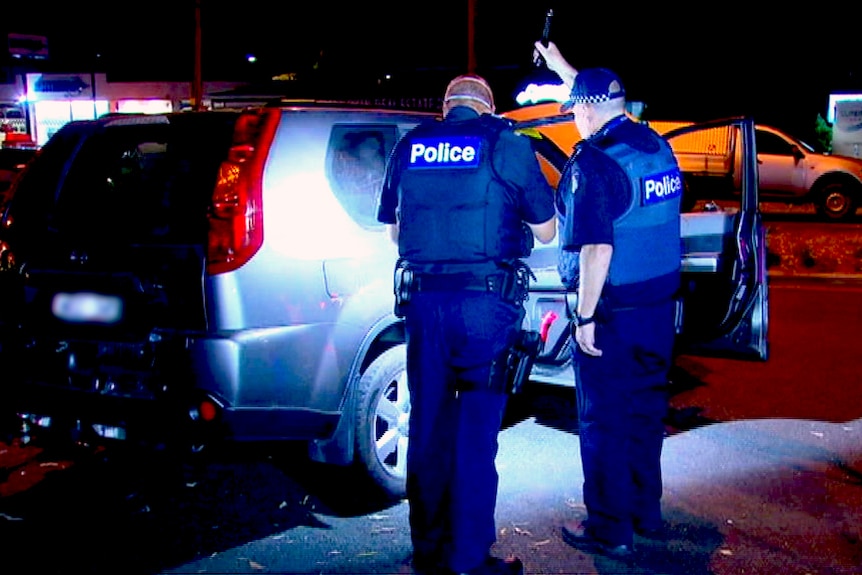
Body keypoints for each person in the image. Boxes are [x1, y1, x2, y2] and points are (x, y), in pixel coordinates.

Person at [377, 74, 556, 575]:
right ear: (487, 108)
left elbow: (395, 231)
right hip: (486, 312)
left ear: (446, 106)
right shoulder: (506, 144)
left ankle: (428, 553)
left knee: (429, 433)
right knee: (478, 438)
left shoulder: (410, 145)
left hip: (424, 311)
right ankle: (470, 559)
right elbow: (547, 230)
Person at [532, 41, 683, 561]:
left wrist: (585, 316)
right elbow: (602, 97)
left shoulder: (594, 164)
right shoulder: (654, 146)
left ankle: (610, 530)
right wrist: (564, 71)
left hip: (613, 314)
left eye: (576, 108)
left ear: (590, 110)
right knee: (644, 414)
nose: (574, 117)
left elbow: (597, 248)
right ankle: (646, 512)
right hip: (660, 312)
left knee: (601, 422)